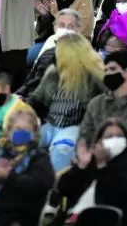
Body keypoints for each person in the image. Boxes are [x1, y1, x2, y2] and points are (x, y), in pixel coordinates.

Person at [28, 33, 105, 171]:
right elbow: (37, 101)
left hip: (76, 127)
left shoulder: (93, 78)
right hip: (50, 123)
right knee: (22, 140)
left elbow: (97, 114)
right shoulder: (54, 73)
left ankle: (54, 186)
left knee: (62, 149)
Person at [0, 107, 54, 226]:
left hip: (18, 214)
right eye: (17, 129)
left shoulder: (39, 156)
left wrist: (8, 176)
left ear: (33, 132)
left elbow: (40, 185)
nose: (20, 132)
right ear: (9, 130)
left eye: (25, 129)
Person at [57, 118, 127, 225]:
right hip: (73, 218)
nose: (115, 140)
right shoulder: (90, 161)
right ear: (99, 141)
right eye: (109, 137)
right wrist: (81, 166)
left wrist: (102, 165)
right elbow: (64, 188)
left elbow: (114, 199)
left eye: (119, 136)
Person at [78, 48, 127, 163]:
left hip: (123, 170)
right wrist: (84, 153)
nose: (108, 74)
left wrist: (107, 154)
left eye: (112, 69)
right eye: (106, 70)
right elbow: (84, 136)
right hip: (92, 164)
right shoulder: (96, 103)